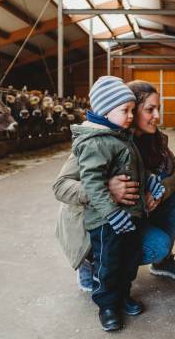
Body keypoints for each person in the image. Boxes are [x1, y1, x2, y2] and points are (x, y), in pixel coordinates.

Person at [53, 80, 175, 322]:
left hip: (129, 213)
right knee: (113, 257)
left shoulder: (152, 140)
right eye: (149, 109)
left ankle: (147, 273)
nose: (157, 116)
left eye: (157, 108)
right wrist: (106, 188)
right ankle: (90, 267)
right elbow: (61, 186)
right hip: (99, 220)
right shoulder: (99, 139)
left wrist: (159, 189)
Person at [70, 76, 146, 332]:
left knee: (129, 259)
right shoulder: (95, 142)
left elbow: (133, 170)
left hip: (130, 216)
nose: (129, 115)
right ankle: (107, 306)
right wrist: (112, 213)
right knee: (108, 264)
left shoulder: (121, 136)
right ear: (104, 111)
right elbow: (92, 183)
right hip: (106, 221)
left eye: (132, 110)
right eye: (124, 110)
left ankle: (123, 295)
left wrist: (151, 182)